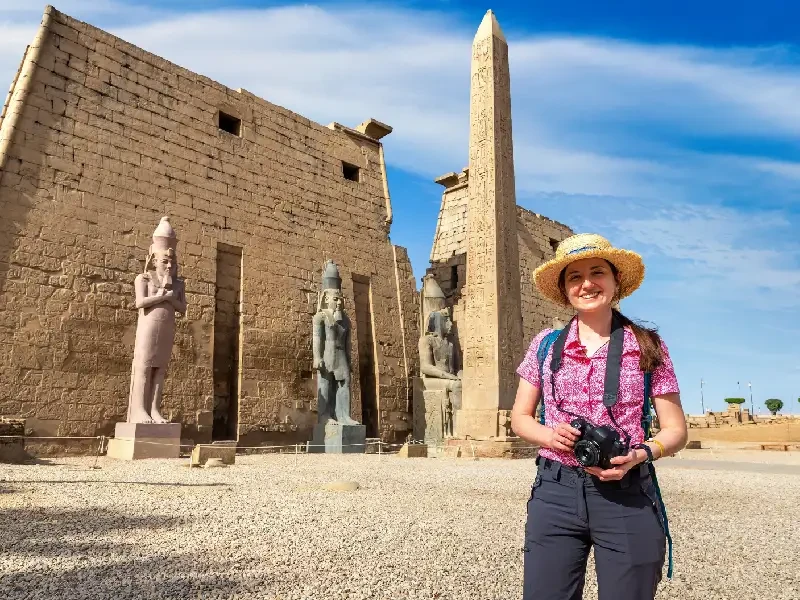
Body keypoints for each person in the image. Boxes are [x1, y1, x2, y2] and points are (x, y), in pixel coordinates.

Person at [511, 233, 688, 600]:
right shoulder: (545, 345)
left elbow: (675, 430)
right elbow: (521, 418)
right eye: (574, 277)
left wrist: (639, 454)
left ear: (615, 281)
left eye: (597, 273)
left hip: (627, 494)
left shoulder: (647, 345)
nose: (587, 284)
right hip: (556, 493)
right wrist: (549, 436)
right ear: (564, 289)